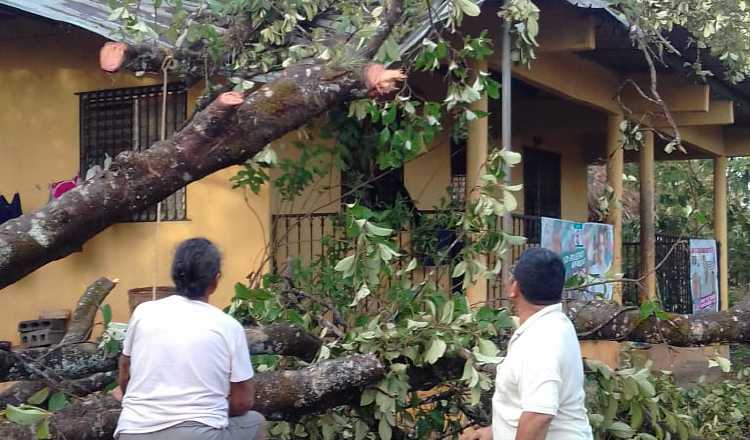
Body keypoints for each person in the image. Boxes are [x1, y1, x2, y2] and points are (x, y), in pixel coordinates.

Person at [114, 238, 266, 440]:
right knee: (256, 423)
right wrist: (207, 409)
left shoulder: (143, 312)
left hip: (132, 431)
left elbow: (125, 373)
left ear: (175, 275)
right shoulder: (228, 326)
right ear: (215, 280)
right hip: (198, 434)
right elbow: (242, 402)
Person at [465, 248, 593, 440]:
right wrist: (496, 432)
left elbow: (538, 415)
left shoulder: (540, 341)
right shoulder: (553, 324)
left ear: (514, 288)